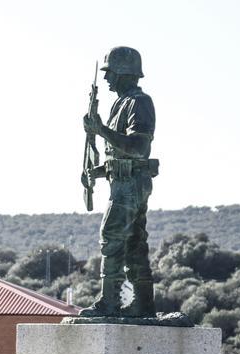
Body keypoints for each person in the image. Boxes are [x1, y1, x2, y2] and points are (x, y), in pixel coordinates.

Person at [80, 46, 159, 318]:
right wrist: (99, 171)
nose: (107, 79)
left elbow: (137, 148)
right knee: (134, 244)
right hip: (124, 181)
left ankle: (110, 302)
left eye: (110, 73)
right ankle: (143, 304)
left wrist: (101, 129)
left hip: (131, 186)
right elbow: (121, 154)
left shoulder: (140, 102)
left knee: (112, 237)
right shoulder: (120, 103)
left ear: (125, 73)